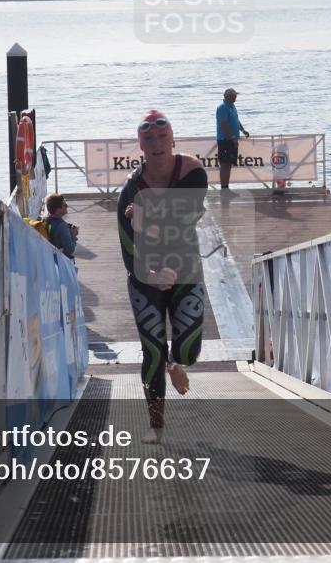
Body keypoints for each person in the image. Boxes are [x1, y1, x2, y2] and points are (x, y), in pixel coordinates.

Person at [117, 110, 208, 444]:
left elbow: (189, 215)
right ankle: (155, 425)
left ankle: (176, 363)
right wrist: (152, 274)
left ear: (173, 139)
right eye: (148, 140)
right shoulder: (131, 189)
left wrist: (148, 218)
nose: (156, 145)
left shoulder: (193, 170)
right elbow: (128, 246)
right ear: (140, 145)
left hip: (186, 267)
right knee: (152, 351)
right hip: (146, 273)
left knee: (187, 352)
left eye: (161, 138)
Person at [215, 88, 250, 190]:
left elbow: (236, 120)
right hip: (225, 140)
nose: (236, 97)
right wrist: (233, 137)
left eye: (236, 95)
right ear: (228, 96)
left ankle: (226, 187)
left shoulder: (233, 107)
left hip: (232, 139)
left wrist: (243, 130)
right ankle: (224, 187)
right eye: (234, 96)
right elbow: (224, 124)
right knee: (225, 164)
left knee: (229, 163)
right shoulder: (222, 108)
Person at [44, 193, 78, 259]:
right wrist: (73, 235)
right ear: (57, 210)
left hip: (51, 257)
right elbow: (69, 250)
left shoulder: (46, 220)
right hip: (60, 261)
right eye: (64, 205)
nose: (67, 206)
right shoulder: (62, 226)